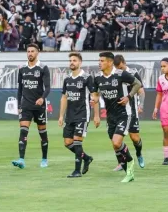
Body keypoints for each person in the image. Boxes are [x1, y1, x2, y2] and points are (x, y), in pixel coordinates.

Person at [92, 52, 142, 183]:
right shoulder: (97, 77)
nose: (99, 63)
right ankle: (128, 173)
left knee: (116, 142)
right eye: (99, 60)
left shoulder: (121, 74)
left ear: (109, 62)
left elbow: (137, 84)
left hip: (124, 114)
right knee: (116, 146)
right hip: (110, 116)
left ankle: (131, 164)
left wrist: (128, 97)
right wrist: (96, 114)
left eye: (102, 61)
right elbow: (96, 95)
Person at [58, 52, 98, 178]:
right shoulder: (67, 79)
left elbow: (95, 96)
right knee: (67, 142)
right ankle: (86, 158)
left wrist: (96, 115)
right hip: (70, 115)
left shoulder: (87, 78)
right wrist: (61, 116)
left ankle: (77, 171)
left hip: (82, 114)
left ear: (80, 62)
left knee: (77, 142)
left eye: (74, 60)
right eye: (70, 60)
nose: (72, 62)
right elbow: (64, 98)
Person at [12, 44, 51, 169]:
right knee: (23, 131)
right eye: (28, 51)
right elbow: (20, 89)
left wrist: (42, 98)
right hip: (26, 105)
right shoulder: (22, 69)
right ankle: (21, 159)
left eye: (32, 51)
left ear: (37, 52)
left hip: (39, 106)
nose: (30, 53)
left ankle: (44, 159)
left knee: (42, 133)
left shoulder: (43, 68)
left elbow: (48, 87)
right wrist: (19, 105)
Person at [112, 54, 146, 170]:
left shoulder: (133, 73)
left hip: (132, 110)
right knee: (116, 139)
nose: (119, 70)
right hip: (118, 111)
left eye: (120, 67)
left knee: (135, 138)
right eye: (117, 68)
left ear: (123, 62)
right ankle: (121, 162)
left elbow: (141, 90)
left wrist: (140, 105)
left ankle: (139, 154)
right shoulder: (114, 74)